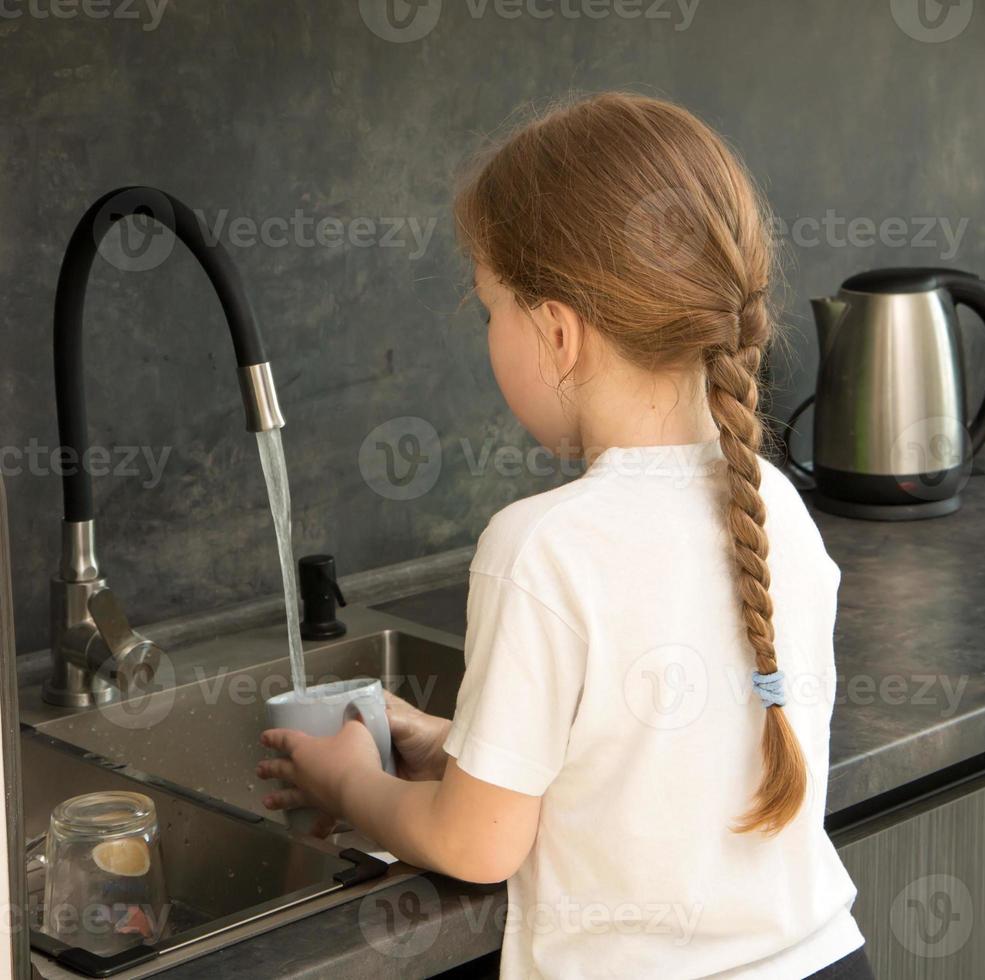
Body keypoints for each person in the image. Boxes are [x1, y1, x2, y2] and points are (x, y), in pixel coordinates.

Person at [257, 92, 871, 979]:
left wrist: (350, 784)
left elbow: (475, 846)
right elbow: (657, 758)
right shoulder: (774, 503)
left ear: (555, 333)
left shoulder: (540, 547)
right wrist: (451, 745)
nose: (489, 335)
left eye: (489, 308)